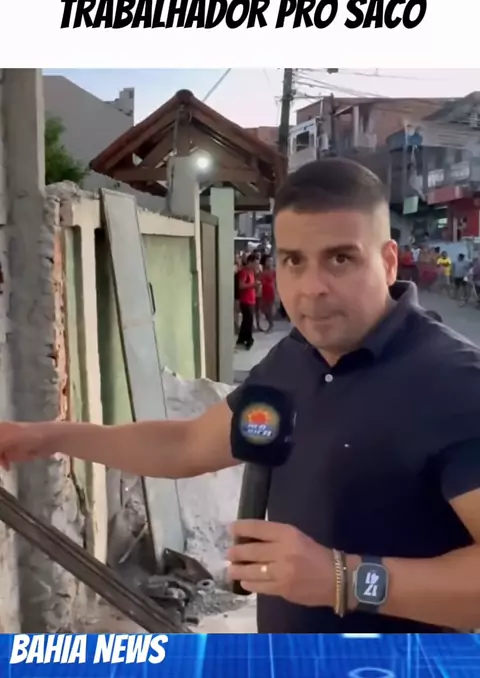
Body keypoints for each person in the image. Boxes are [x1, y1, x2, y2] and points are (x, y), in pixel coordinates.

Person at [1, 158, 480, 634]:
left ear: (388, 261)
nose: (312, 288)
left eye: (341, 259)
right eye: (293, 260)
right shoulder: (294, 359)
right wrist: (46, 437)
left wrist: (345, 579)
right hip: (284, 658)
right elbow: (187, 445)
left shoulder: (455, 383)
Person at [236, 253, 256, 349]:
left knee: (246, 321)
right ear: (250, 262)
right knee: (249, 321)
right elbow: (241, 286)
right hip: (246, 301)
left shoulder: (251, 272)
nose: (256, 265)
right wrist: (253, 285)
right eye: (255, 263)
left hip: (251, 300)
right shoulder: (244, 272)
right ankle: (249, 340)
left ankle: (241, 339)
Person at [259, 255, 276, 331]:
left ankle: (271, 324)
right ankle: (270, 323)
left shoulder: (273, 271)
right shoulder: (261, 270)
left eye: (271, 261)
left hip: (270, 290)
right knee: (263, 309)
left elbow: (276, 281)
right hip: (262, 290)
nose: (270, 262)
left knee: (270, 308)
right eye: (268, 261)